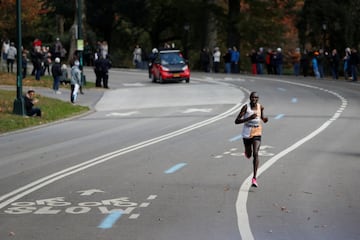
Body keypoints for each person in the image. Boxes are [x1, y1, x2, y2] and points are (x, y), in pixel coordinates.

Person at [234, 91, 268, 187]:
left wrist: (265, 120)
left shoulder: (260, 107)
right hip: (247, 132)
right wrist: (248, 118)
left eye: (256, 98)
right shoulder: (246, 108)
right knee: (249, 154)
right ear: (250, 98)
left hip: (257, 131)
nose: (254, 99)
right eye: (252, 97)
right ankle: (247, 151)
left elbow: (262, 117)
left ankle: (254, 178)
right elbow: (236, 121)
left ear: (258, 99)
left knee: (256, 153)